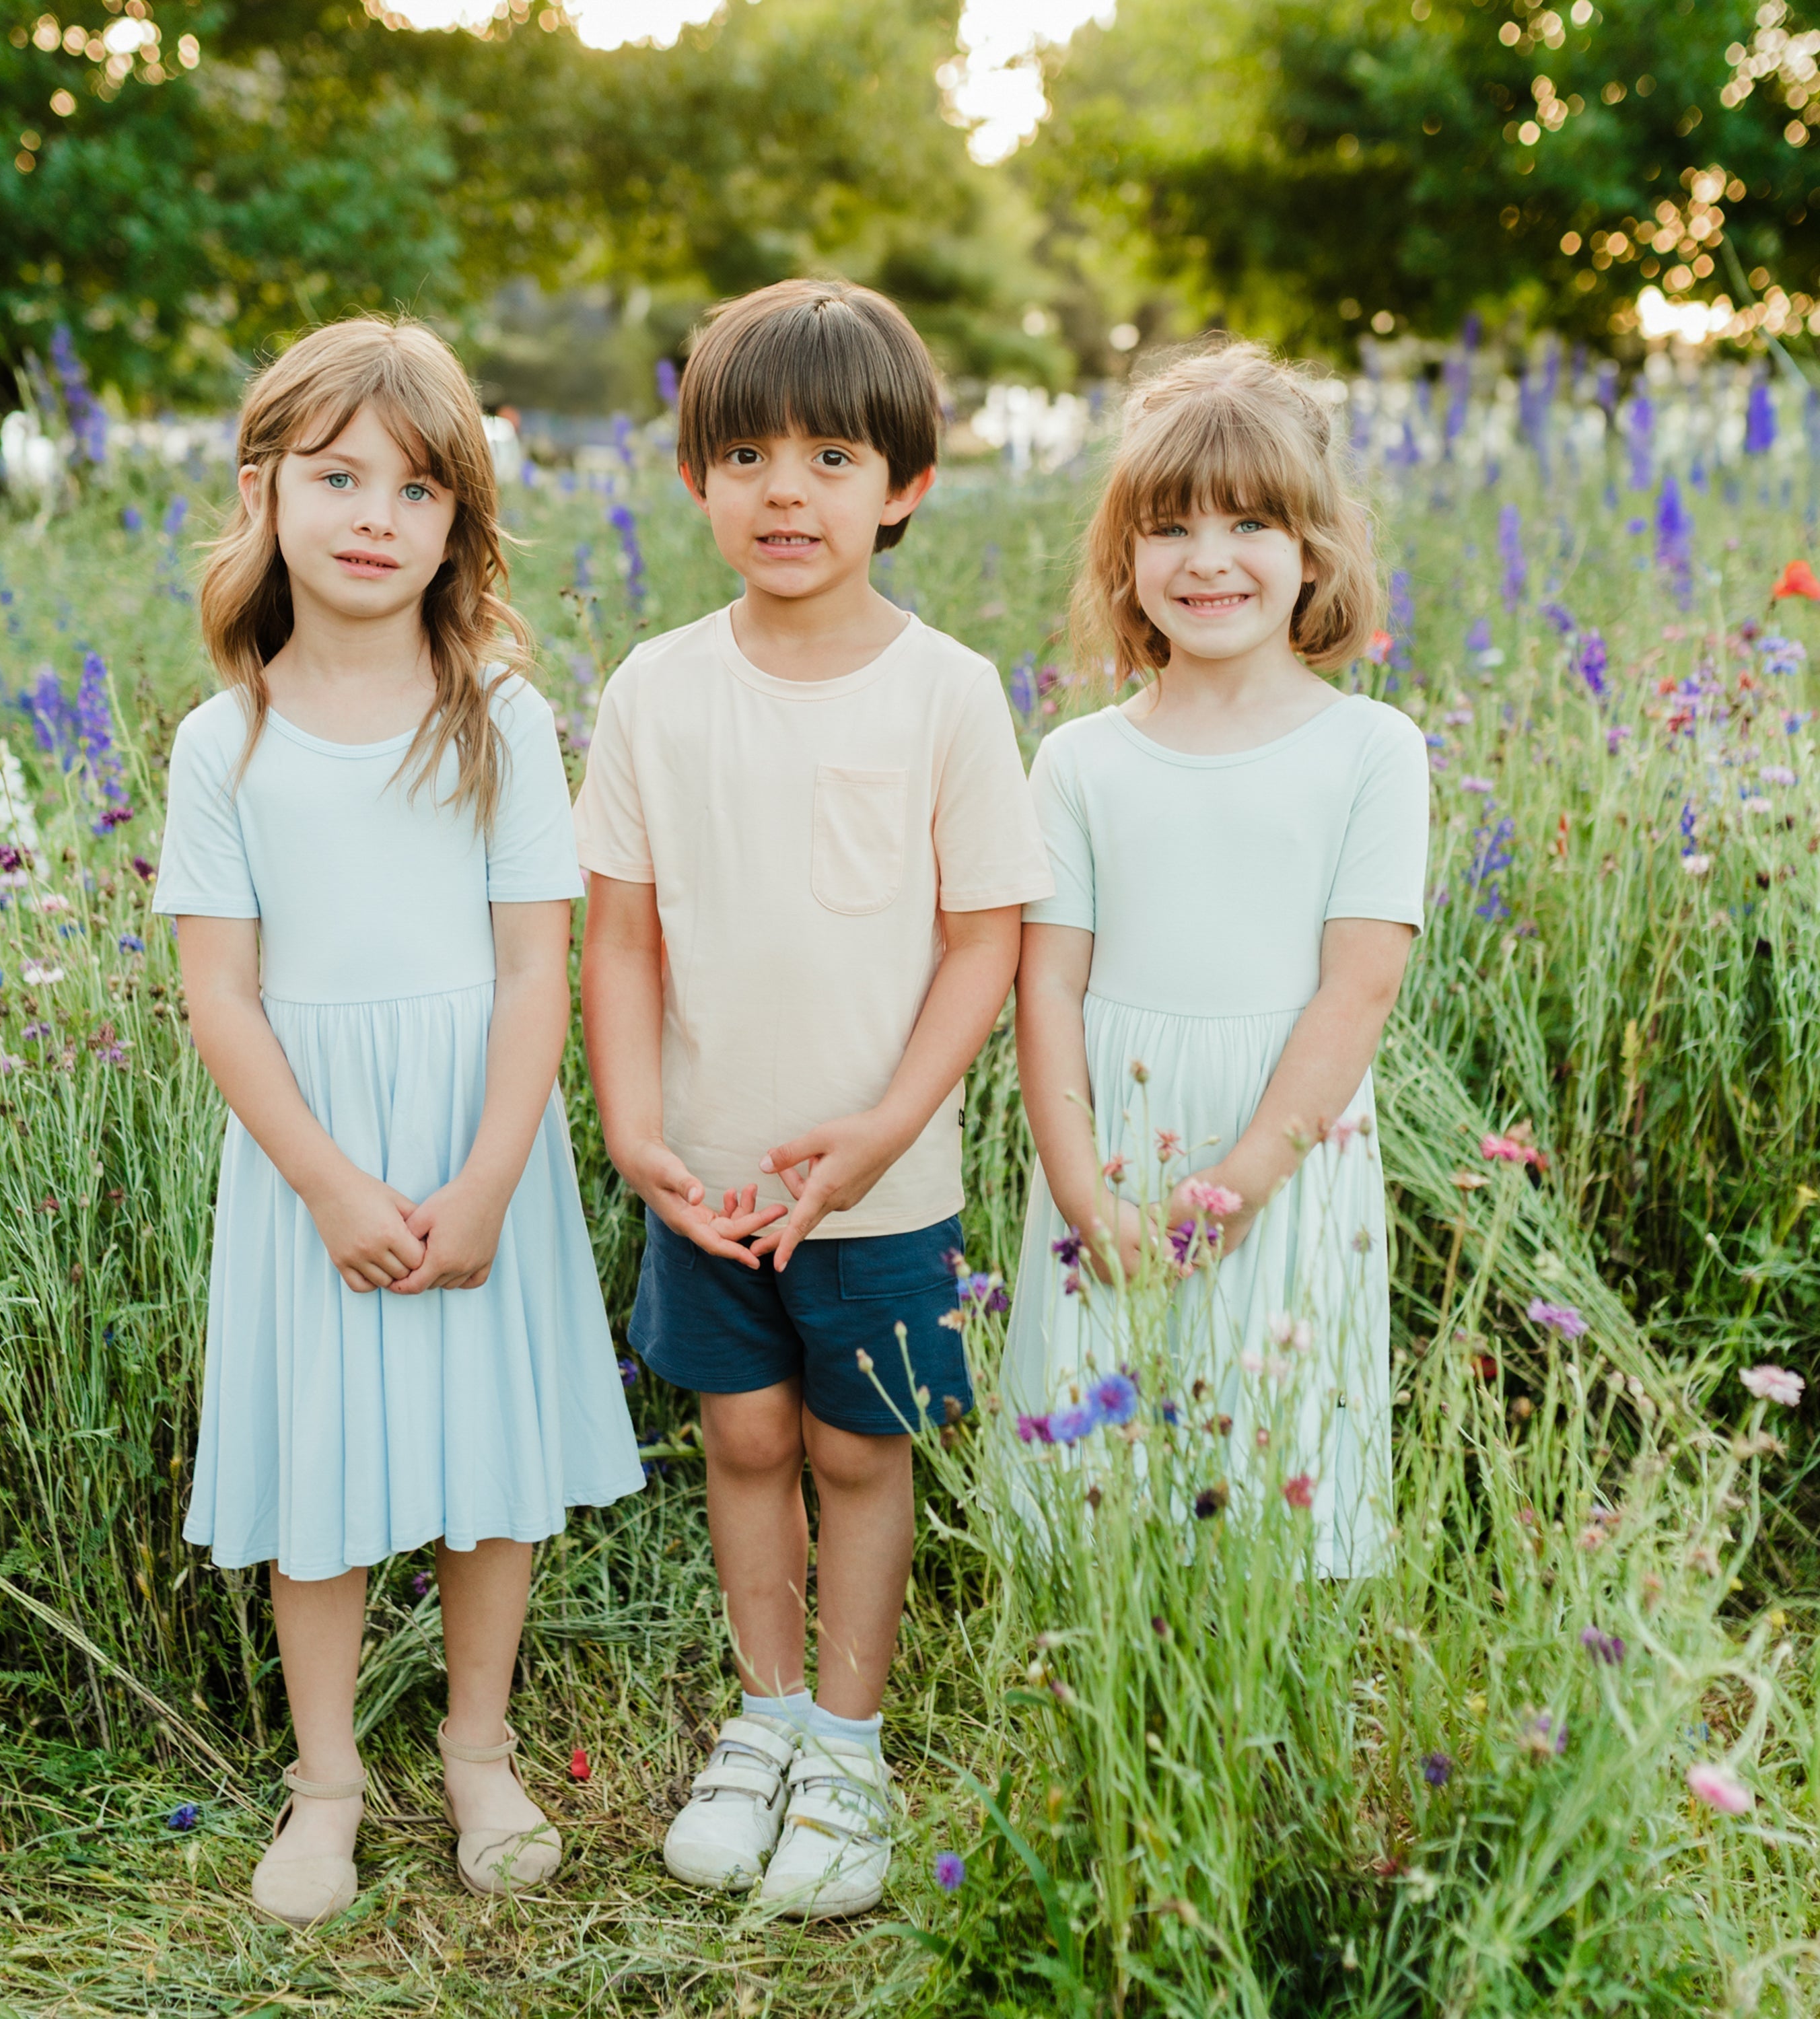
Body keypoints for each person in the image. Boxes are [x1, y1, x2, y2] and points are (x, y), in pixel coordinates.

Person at [153, 317, 643, 1928]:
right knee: (328, 1476)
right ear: (266, 490)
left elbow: (530, 967)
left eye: (418, 489)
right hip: (313, 1160)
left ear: (458, 527)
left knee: (479, 1461)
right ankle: (325, 1786)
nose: (375, 514)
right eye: (339, 476)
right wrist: (328, 1184)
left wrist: (492, 1175)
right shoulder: (223, 742)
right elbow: (221, 995)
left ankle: (479, 1751)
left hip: (470, 1133)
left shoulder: (493, 715)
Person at [574, 279, 1053, 1917]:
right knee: (743, 1436)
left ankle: (848, 1747)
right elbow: (623, 938)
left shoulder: (946, 691)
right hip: (707, 1179)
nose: (789, 490)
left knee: (858, 1452)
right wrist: (636, 1134)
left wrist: (880, 1134)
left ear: (905, 486)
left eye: (834, 456)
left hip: (883, 1186)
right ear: (696, 477)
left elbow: (985, 942)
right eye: (750, 454)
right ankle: (766, 1718)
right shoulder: (653, 688)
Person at [1008, 339, 1428, 1578]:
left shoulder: (1371, 749)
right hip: (1115, 1143)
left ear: (1315, 551)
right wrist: (1084, 1187)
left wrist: (1241, 1184)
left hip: (1282, 1147)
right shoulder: (1080, 761)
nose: (1206, 557)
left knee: (1270, 1466)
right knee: (1106, 1492)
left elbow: (1359, 987)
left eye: (1249, 520)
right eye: (1170, 525)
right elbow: (1049, 983)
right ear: (1125, 561)